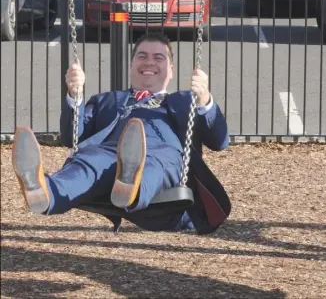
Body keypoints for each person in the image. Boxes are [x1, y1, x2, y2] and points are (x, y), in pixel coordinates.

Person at [12, 32, 231, 235]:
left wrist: (205, 99)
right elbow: (72, 138)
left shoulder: (186, 101)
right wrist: (74, 94)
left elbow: (219, 141)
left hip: (164, 156)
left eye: (159, 57)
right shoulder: (107, 100)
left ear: (171, 70)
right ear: (131, 64)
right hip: (111, 154)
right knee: (91, 160)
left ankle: (131, 186)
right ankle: (44, 193)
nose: (149, 62)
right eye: (142, 56)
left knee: (152, 163)